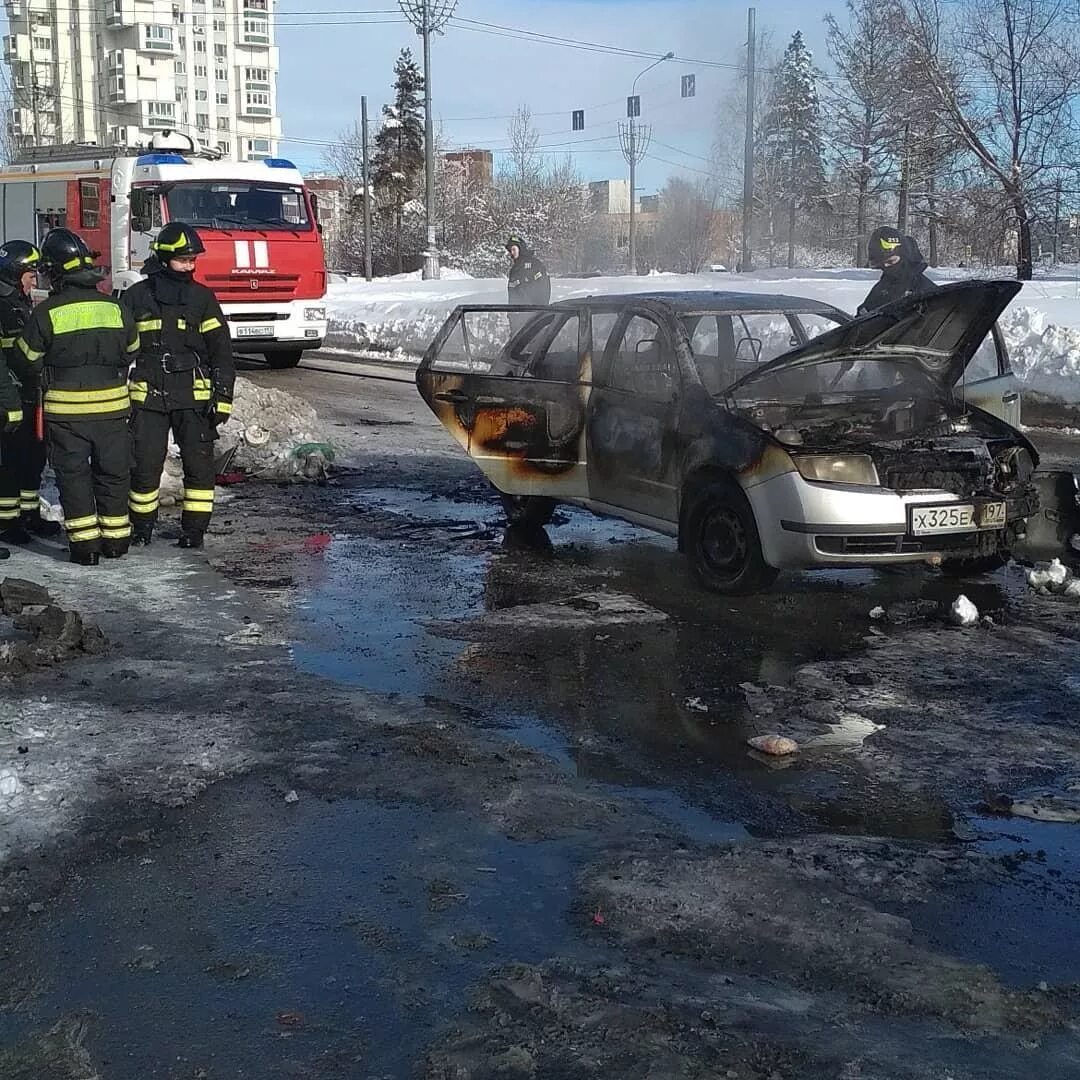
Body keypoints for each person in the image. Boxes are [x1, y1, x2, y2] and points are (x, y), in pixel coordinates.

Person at [11, 229, 139, 566]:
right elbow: (132, 350)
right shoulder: (116, 307)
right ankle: (116, 541)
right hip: (112, 411)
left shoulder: (47, 312)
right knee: (112, 473)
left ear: (55, 272)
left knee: (74, 476)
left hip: (66, 413)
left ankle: (86, 549)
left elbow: (25, 358)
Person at [121, 222, 234, 550]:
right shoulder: (136, 297)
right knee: (145, 466)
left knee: (199, 468)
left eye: (193, 260)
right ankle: (142, 528)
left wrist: (222, 396)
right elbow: (118, 348)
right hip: (149, 397)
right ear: (164, 257)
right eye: (183, 260)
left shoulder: (202, 298)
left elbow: (221, 352)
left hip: (193, 398)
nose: (190, 266)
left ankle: (194, 531)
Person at [0, 240, 62, 544]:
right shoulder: (2, 304)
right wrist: (8, 401)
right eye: (29, 272)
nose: (34, 279)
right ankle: (6, 523)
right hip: (9, 398)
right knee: (9, 461)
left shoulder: (19, 301)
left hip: (28, 394)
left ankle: (27, 514)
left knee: (32, 459)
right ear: (14, 272)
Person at [858, 227, 937, 314]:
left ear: (904, 257)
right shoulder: (884, 286)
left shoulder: (925, 290)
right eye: (882, 265)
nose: (887, 267)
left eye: (890, 262)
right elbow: (864, 313)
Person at [506, 235, 551, 307]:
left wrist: (538, 310)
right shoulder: (514, 269)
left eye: (514, 249)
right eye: (510, 250)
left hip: (534, 312)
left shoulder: (535, 265)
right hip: (517, 312)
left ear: (521, 249)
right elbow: (512, 293)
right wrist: (511, 311)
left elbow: (543, 288)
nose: (511, 252)